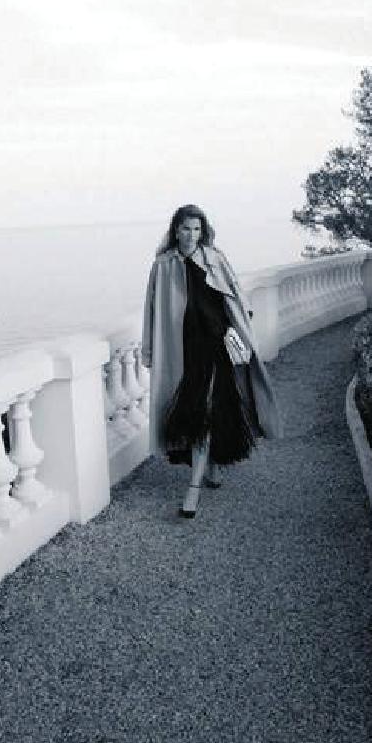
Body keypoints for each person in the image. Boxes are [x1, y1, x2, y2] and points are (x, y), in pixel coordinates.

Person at [140, 203, 281, 516]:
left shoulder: (215, 258)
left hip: (216, 346)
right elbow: (151, 311)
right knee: (196, 412)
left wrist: (241, 326)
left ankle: (192, 490)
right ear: (175, 230)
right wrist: (148, 351)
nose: (191, 235)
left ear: (203, 232)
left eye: (197, 229)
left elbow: (235, 295)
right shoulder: (163, 266)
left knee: (204, 409)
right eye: (186, 228)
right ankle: (212, 465)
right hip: (182, 350)